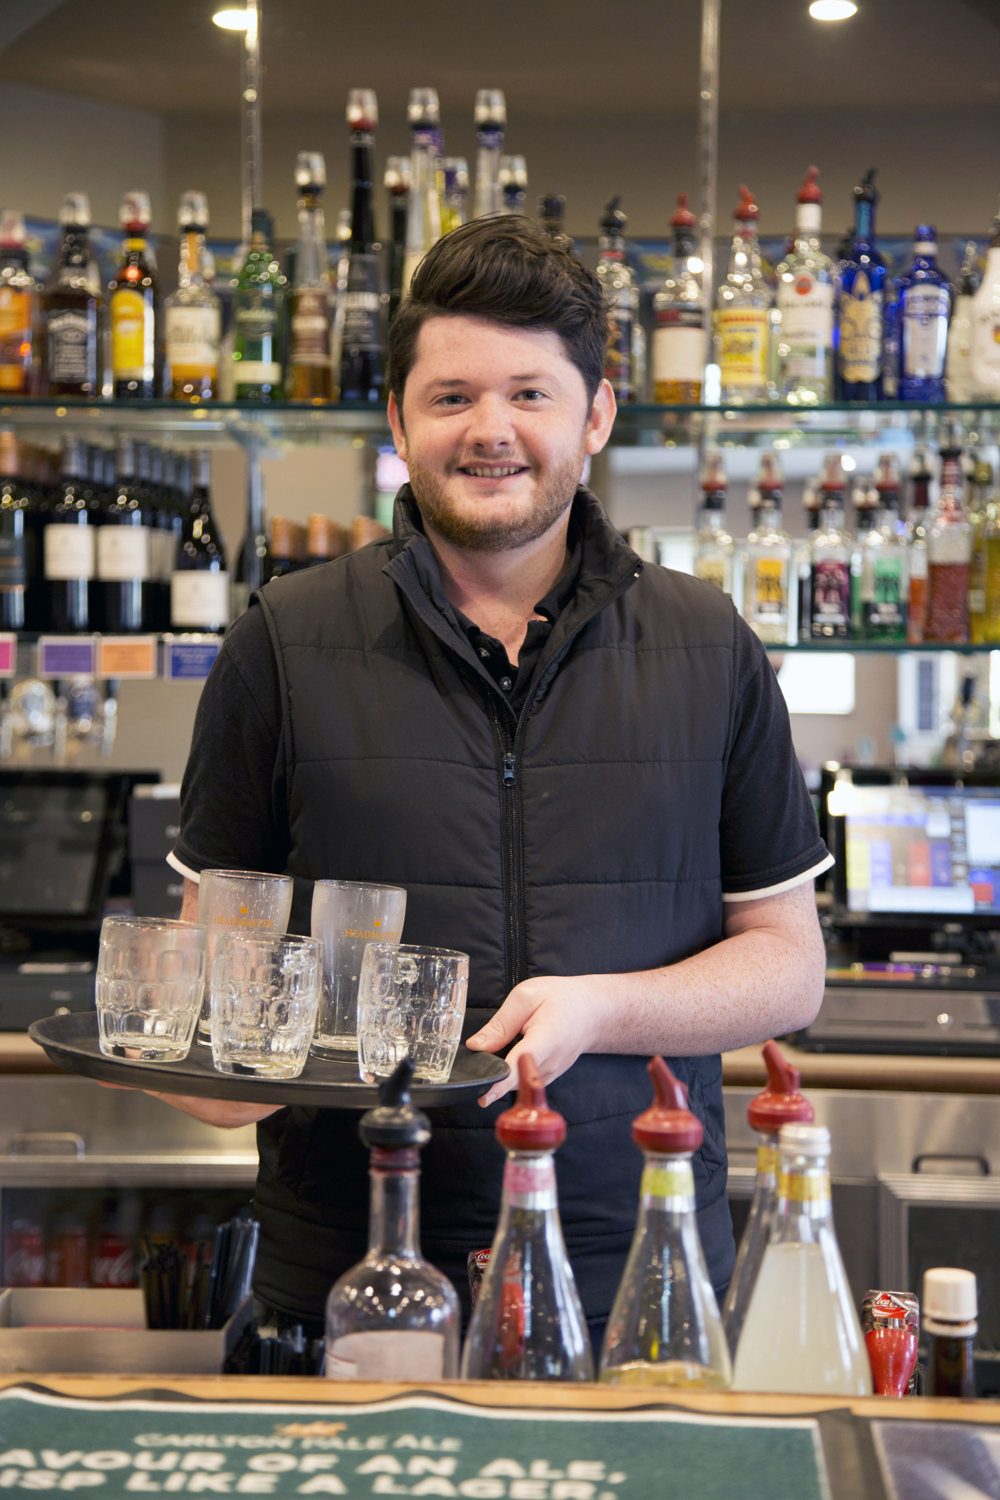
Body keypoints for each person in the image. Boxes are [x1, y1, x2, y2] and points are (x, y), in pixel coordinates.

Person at [156, 213, 831, 1347]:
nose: (490, 431)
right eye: (452, 395)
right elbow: (212, 973)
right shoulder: (283, 639)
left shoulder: (708, 643)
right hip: (351, 1272)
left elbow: (787, 967)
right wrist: (205, 1060)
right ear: (399, 422)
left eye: (530, 393)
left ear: (596, 416)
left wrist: (605, 1008)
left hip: (643, 1268)